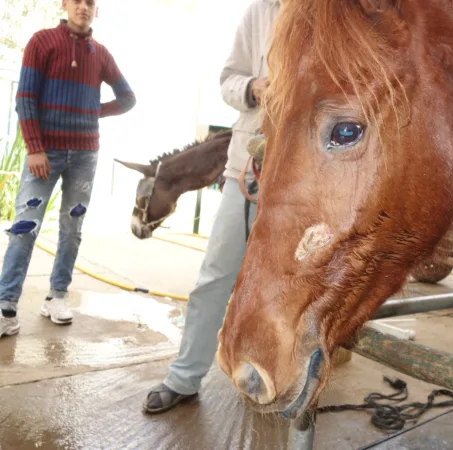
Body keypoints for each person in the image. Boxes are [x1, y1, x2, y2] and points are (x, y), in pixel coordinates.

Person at [143, 0, 281, 414]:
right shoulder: (259, 12)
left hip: (308, 176)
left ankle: (277, 380)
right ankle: (184, 377)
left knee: (288, 287)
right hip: (248, 169)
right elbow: (228, 80)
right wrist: (254, 87)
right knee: (215, 277)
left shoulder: (334, 9)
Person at [0, 0, 136, 338]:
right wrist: (34, 148)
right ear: (65, 4)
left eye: (90, 3)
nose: (84, 7)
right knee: (25, 226)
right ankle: (6, 306)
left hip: (85, 154)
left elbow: (128, 98)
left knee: (72, 228)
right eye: (77, 1)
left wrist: (93, 112)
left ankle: (57, 296)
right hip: (45, 153)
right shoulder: (42, 41)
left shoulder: (100, 54)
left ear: (96, 10)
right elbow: (25, 98)